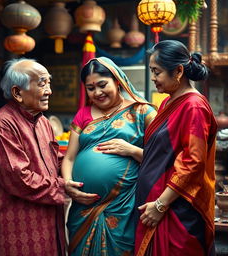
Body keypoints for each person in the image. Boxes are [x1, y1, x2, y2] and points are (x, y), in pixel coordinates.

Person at [61, 57, 157, 255]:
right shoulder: (83, 114)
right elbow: (69, 158)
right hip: (82, 207)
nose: (97, 92)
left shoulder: (143, 111)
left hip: (123, 205)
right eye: (90, 88)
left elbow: (161, 159)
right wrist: (69, 184)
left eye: (102, 85)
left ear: (117, 80)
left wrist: (131, 150)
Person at [135, 40, 217, 256]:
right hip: (155, 205)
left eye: (157, 72)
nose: (153, 78)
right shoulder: (167, 103)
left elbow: (193, 162)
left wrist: (161, 205)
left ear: (179, 71)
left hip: (176, 210)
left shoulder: (194, 106)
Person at [0, 58, 66, 256]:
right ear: (17, 93)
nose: (49, 91)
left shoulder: (44, 122)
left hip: (48, 221)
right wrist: (64, 187)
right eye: (41, 84)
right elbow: (18, 178)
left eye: (49, 83)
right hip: (16, 226)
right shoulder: (1, 125)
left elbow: (55, 161)